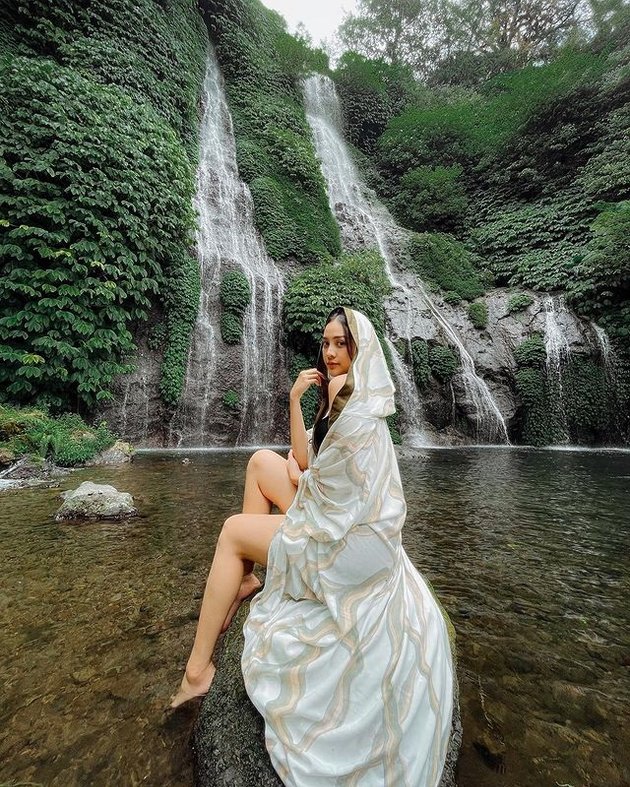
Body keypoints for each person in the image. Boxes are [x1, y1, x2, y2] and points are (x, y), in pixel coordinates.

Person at [170, 306, 454, 786]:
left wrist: (304, 476)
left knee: (232, 531)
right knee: (262, 462)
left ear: (359, 349)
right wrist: (296, 401)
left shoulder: (360, 414)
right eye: (325, 343)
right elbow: (306, 459)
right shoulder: (336, 395)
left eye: (341, 344)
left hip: (340, 542)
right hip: (330, 513)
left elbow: (325, 486)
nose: (330, 352)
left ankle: (198, 671)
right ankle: (245, 579)